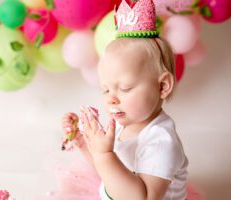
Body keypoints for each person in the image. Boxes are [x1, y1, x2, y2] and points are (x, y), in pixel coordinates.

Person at [60, 0, 192, 199]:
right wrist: (86, 144)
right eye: (105, 90)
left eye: (125, 88)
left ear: (162, 86)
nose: (112, 99)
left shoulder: (161, 142)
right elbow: (110, 174)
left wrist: (105, 154)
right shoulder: (126, 123)